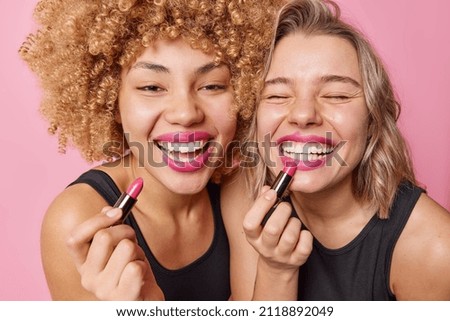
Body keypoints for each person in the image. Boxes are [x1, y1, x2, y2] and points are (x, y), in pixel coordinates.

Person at [19, 0, 281, 300]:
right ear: (111, 99)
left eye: (212, 85)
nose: (185, 113)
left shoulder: (242, 193)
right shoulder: (78, 220)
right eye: (152, 88)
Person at [222, 0, 450, 300]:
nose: (303, 114)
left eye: (336, 94)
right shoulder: (244, 192)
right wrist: (276, 271)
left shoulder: (434, 249)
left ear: (373, 120)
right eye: (277, 94)